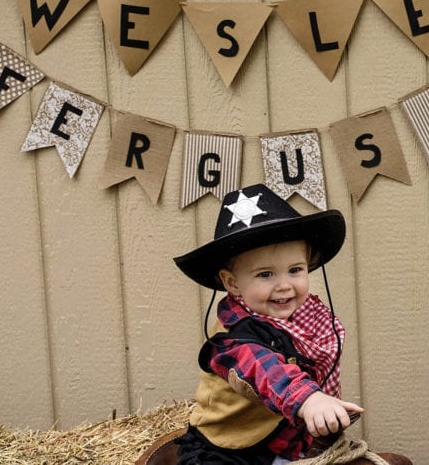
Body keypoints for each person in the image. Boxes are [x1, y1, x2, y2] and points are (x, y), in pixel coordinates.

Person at [172, 184, 409, 465]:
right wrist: (309, 399)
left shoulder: (304, 321)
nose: (284, 285)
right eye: (265, 274)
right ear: (232, 283)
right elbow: (268, 371)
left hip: (285, 443)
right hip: (231, 449)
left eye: (295, 270)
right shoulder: (231, 341)